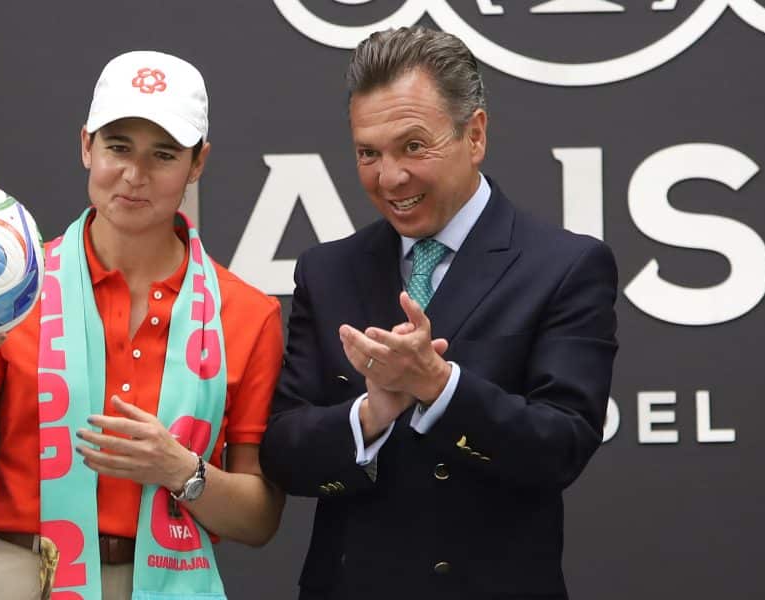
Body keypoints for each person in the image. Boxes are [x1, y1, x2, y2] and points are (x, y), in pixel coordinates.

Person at [0, 50, 285, 600]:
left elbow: (259, 520)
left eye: (164, 154)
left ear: (198, 164)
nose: (134, 175)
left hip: (170, 581)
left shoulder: (247, 313)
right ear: (86, 145)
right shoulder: (12, 293)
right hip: (22, 576)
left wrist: (180, 469)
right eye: (117, 147)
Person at [259, 27, 618, 600]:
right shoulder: (327, 271)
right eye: (368, 153)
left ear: (474, 135)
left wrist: (438, 386)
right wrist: (371, 414)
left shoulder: (566, 265)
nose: (390, 177)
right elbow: (281, 452)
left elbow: (563, 445)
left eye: (413, 147)